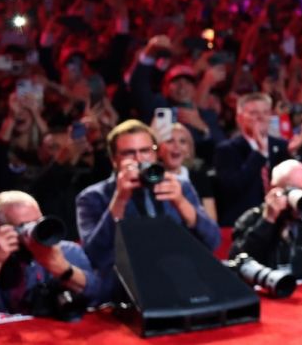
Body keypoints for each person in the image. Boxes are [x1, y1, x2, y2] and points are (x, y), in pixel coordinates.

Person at [75, 120, 220, 305]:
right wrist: (120, 199)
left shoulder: (179, 187)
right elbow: (94, 256)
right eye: (129, 153)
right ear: (114, 160)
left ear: (155, 153)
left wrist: (181, 203)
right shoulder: (92, 197)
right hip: (127, 292)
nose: (139, 159)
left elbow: (213, 241)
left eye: (145, 151)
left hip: (180, 285)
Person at [0, 191, 95, 323]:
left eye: (38, 221)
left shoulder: (68, 251)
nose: (36, 230)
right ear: (0, 231)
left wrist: (62, 268)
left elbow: (98, 297)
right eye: (24, 226)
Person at [213, 93, 294, 226]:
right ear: (239, 118)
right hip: (243, 223)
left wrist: (294, 155)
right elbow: (232, 189)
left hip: (279, 223)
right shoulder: (226, 150)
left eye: (266, 112)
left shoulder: (282, 146)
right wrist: (259, 154)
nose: (261, 117)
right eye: (254, 113)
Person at [158, 124, 218, 222]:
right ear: (159, 150)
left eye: (182, 141)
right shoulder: (152, 177)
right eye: (170, 141)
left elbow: (212, 221)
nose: (176, 146)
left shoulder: (199, 176)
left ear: (189, 151)